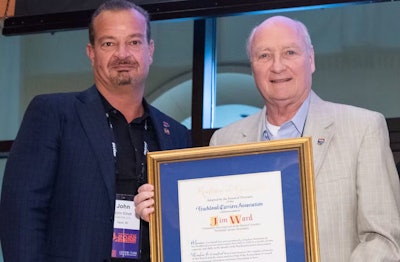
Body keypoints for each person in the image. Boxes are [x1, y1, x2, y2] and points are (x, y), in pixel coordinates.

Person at [0, 0, 191, 261]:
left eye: (134, 42)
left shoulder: (176, 135)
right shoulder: (54, 114)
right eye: (109, 43)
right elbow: (21, 214)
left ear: (150, 50)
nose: (122, 54)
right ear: (91, 52)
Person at [207, 15, 400, 261]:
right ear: (252, 65)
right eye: (264, 55)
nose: (277, 66)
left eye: (289, 52)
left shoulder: (363, 129)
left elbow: (384, 240)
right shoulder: (224, 142)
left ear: (311, 60)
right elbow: (215, 234)